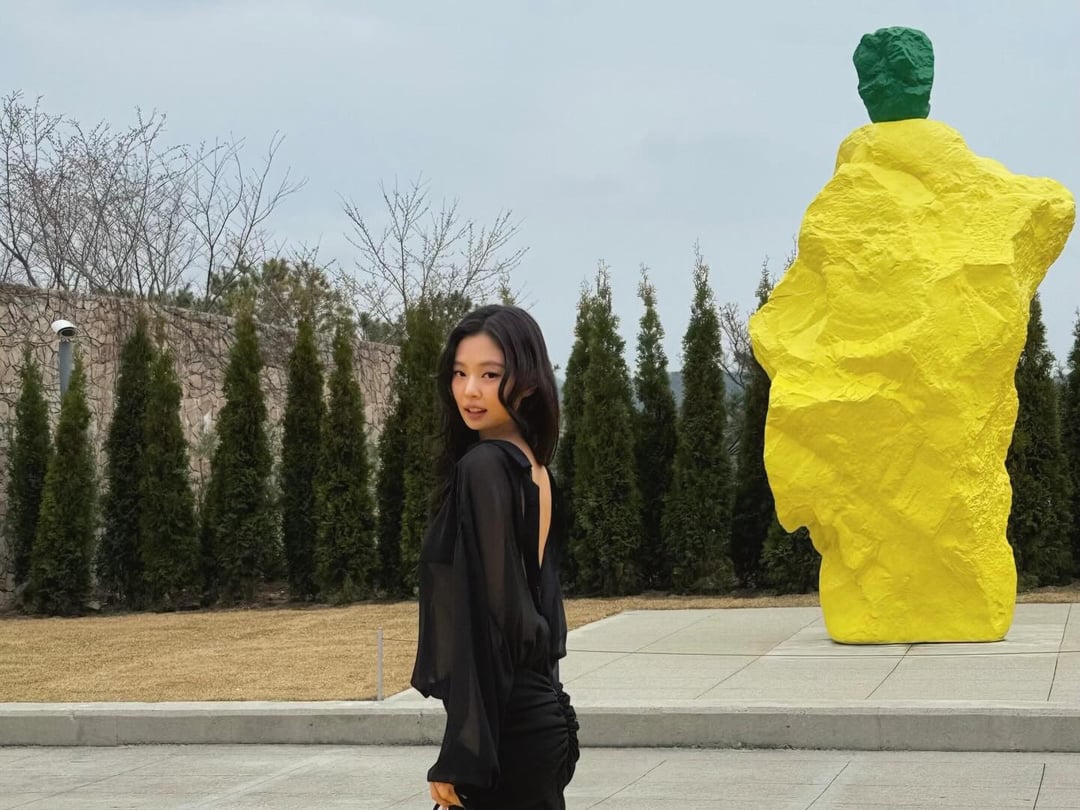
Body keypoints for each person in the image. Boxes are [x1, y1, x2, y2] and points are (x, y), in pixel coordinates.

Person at [411, 304, 580, 810]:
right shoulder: (535, 467)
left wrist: (460, 754)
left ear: (526, 382)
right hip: (540, 715)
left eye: (490, 375)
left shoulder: (484, 467)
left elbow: (492, 624)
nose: (469, 391)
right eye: (459, 373)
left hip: (511, 730)